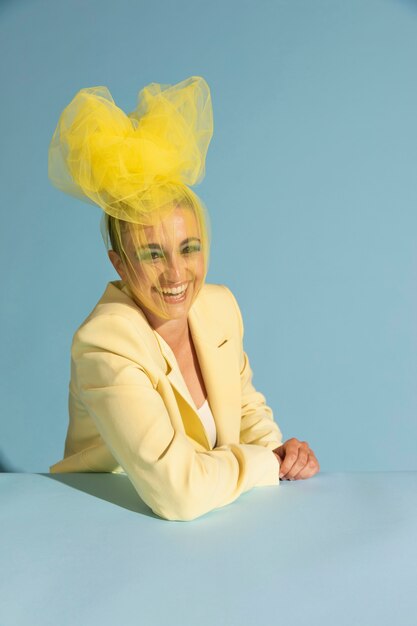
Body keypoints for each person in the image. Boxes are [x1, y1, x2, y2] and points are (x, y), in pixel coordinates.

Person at [48, 76, 319, 521]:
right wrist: (265, 464)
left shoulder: (219, 306)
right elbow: (177, 494)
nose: (176, 274)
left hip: (214, 523)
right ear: (119, 264)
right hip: (111, 526)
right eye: (153, 255)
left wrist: (281, 455)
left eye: (188, 248)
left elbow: (245, 408)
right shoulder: (104, 342)